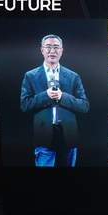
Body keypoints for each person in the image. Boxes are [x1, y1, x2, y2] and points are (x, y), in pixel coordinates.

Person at [20, 34, 89, 167]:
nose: (52, 51)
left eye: (56, 47)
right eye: (48, 47)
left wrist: (63, 97)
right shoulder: (30, 76)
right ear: (42, 50)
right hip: (43, 134)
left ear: (61, 50)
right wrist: (45, 95)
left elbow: (84, 106)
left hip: (69, 134)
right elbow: (25, 105)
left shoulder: (73, 76)